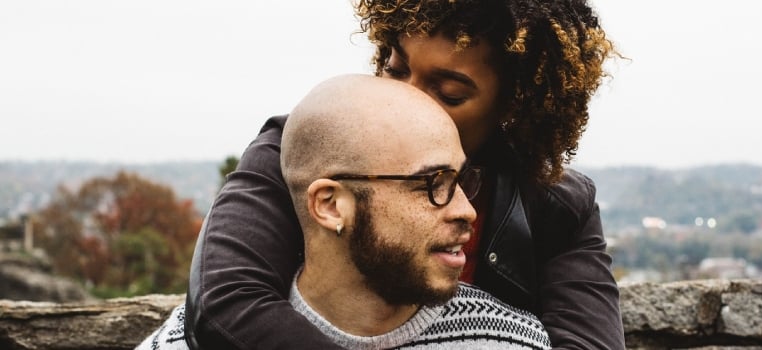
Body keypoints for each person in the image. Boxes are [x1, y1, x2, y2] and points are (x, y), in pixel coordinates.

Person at [185, 0, 624, 349]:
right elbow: (224, 305)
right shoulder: (303, 150)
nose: (405, 97)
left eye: (448, 92)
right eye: (396, 69)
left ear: (512, 107)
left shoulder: (558, 205)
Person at [138, 74, 552, 349]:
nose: (467, 211)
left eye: (462, 181)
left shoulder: (512, 341)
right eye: (432, 184)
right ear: (331, 205)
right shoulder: (182, 344)